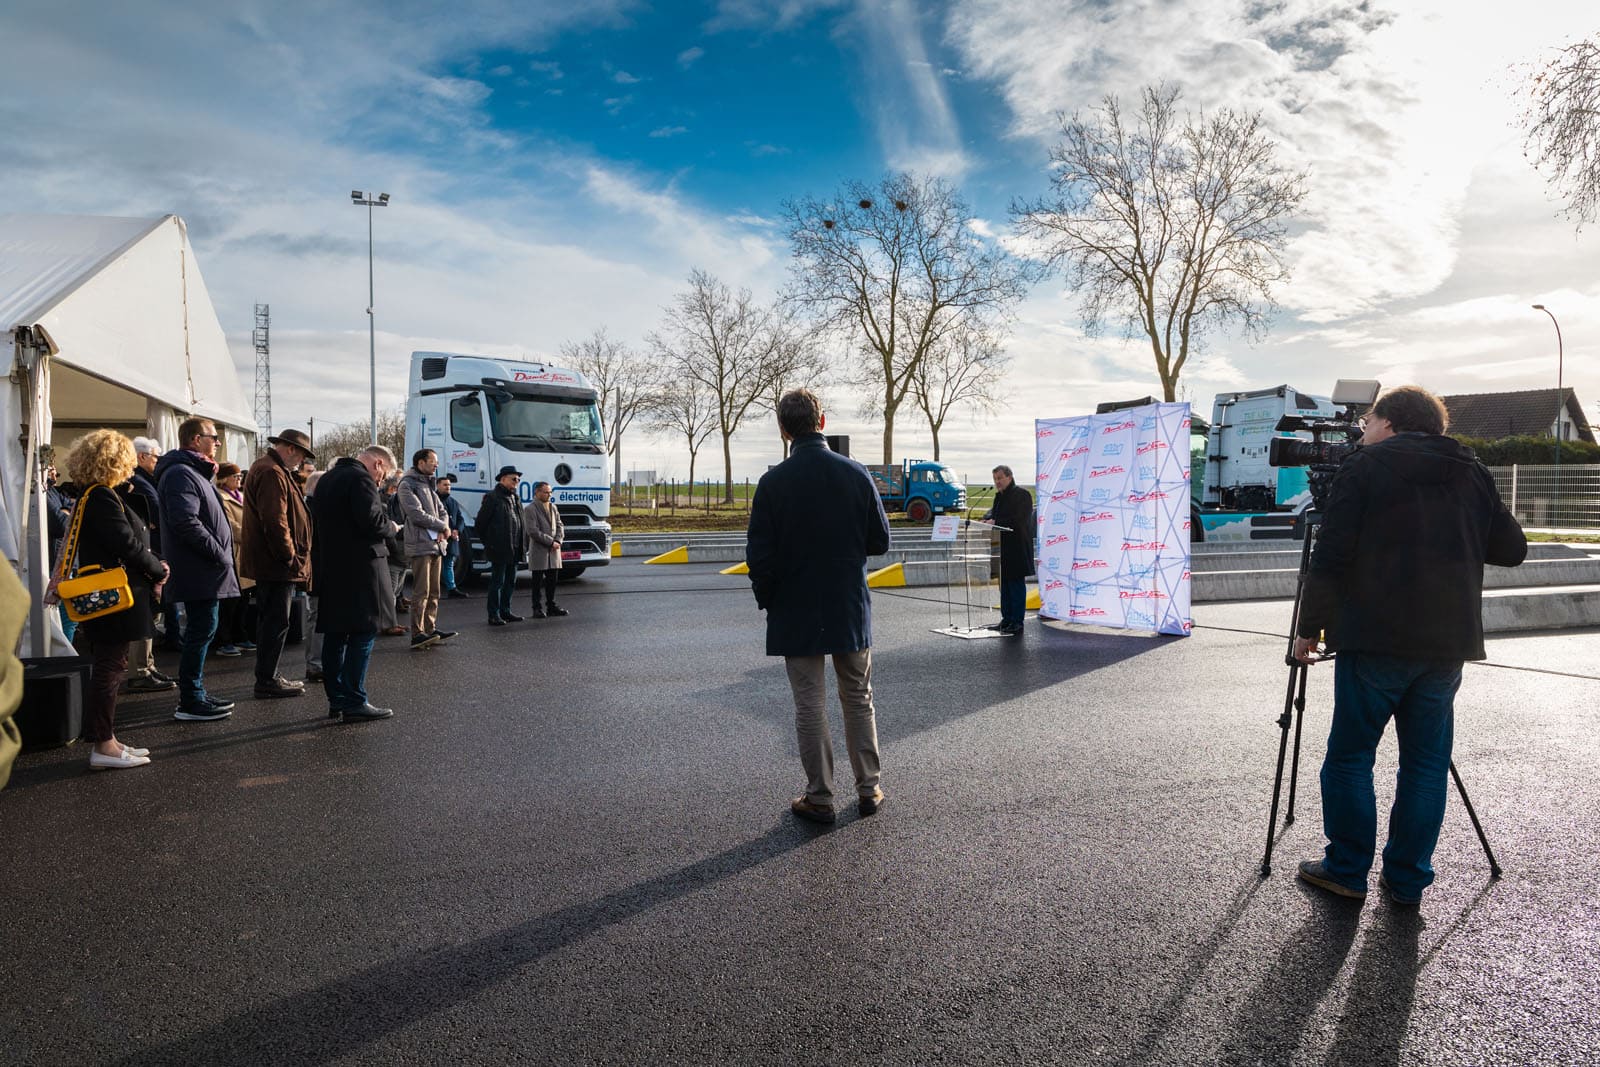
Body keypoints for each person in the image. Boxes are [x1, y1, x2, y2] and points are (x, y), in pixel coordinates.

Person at [1292, 386, 1527, 906]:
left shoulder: (1365, 467)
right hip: (1446, 643)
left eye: (1369, 420)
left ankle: (1347, 869)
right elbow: (1511, 550)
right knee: (1425, 763)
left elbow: (1330, 555)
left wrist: (1309, 626)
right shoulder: (1473, 471)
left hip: (1373, 638)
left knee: (1351, 757)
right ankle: (1407, 880)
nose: (1362, 430)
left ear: (1392, 423)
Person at [747, 389, 890, 824]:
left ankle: (820, 795)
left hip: (795, 607)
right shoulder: (857, 473)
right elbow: (880, 541)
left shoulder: (772, 484)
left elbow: (760, 558)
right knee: (858, 698)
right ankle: (869, 787)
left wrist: (770, 600)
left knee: (809, 704)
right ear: (822, 421)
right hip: (848, 604)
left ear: (784, 429)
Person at [53, 430, 169, 770]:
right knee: (109, 667)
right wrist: (158, 570)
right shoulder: (102, 496)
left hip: (111, 592)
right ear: (115, 461)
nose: (133, 467)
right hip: (114, 594)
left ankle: (109, 741)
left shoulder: (96, 495)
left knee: (111, 665)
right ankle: (103, 744)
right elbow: (127, 545)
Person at [155, 418, 239, 721]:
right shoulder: (181, 473)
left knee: (204, 630)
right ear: (194, 439)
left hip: (205, 567)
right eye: (213, 437)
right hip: (199, 568)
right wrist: (219, 553)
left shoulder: (192, 472)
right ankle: (190, 700)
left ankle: (196, 693)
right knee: (201, 630)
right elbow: (185, 521)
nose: (217, 442)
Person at [310, 445, 398, 722]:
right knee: (363, 632)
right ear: (379, 464)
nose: (380, 482)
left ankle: (336, 698)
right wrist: (391, 527)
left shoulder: (326, 479)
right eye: (383, 477)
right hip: (361, 568)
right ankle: (354, 700)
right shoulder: (360, 479)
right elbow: (372, 522)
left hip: (332, 566)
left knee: (335, 635)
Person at [241, 428, 315, 697]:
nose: (302, 461)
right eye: (302, 454)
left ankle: (268, 677)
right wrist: (290, 557)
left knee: (273, 620)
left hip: (272, 562)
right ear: (291, 448)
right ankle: (267, 680)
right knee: (275, 621)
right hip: (276, 564)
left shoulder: (270, 468)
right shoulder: (272, 471)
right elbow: (275, 521)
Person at [125, 438, 177, 691]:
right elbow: (154, 515)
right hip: (148, 554)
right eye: (155, 457)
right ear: (142, 457)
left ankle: (147, 665)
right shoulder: (138, 484)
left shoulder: (145, 482)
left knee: (151, 613)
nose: (158, 462)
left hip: (153, 552)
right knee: (143, 614)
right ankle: (139, 670)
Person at [398, 448, 456, 649]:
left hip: (435, 545)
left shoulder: (429, 484)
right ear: (421, 463)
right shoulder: (407, 484)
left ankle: (430, 630)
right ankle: (417, 633)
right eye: (433, 461)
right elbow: (416, 514)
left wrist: (444, 526)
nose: (436, 465)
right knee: (421, 591)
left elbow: (443, 510)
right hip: (420, 545)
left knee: (434, 591)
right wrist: (442, 526)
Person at [985, 465, 1036, 635]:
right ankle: (1006, 620)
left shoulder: (1022, 495)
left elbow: (1019, 519)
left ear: (1009, 477)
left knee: (1015, 586)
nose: (997, 482)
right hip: (1003, 549)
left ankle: (1017, 622)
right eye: (995, 479)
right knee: (1004, 587)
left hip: (1018, 547)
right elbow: (995, 515)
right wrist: (987, 520)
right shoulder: (998, 497)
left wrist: (996, 520)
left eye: (1000, 478)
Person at [213, 463, 253, 658]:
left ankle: (240, 635)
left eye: (239, 476)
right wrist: (253, 534)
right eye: (235, 476)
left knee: (243, 599)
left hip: (244, 552)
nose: (239, 479)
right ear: (224, 478)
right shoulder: (221, 497)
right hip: (234, 551)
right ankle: (224, 640)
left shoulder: (241, 496)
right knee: (230, 601)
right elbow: (231, 525)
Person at [478, 465, 525, 626]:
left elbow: (520, 521)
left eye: (518, 479)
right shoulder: (492, 497)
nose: (516, 482)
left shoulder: (515, 498)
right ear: (503, 479)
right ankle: (494, 614)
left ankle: (506, 611)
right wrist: (490, 543)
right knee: (497, 582)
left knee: (510, 581)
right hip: (499, 548)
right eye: (514, 479)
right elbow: (480, 524)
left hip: (515, 547)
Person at [522, 480, 569, 618]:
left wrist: (559, 540)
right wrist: (551, 542)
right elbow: (532, 531)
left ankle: (551, 606)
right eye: (546, 492)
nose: (549, 495)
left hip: (554, 550)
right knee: (537, 582)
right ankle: (536, 608)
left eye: (550, 492)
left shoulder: (553, 507)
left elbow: (560, 525)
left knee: (552, 581)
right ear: (537, 492)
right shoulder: (530, 509)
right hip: (539, 550)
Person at [377, 473, 408, 636]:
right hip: (394, 554)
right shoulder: (384, 504)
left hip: (402, 555)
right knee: (390, 593)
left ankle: (392, 622)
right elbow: (389, 533)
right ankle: (388, 624)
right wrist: (396, 552)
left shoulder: (394, 502)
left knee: (395, 592)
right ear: (393, 488)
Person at [301, 471, 325, 682]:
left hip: (318, 570)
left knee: (318, 617)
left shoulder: (311, 507)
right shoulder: (312, 509)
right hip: (317, 571)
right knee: (317, 617)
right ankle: (316, 664)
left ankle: (318, 663)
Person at [437, 475, 469, 599]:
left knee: (449, 564)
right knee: (435, 565)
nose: (448, 487)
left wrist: (457, 530)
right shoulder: (434, 500)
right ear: (438, 485)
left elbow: (460, 518)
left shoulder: (453, 502)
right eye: (445, 485)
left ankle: (451, 588)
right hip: (438, 537)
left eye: (449, 485)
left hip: (452, 539)